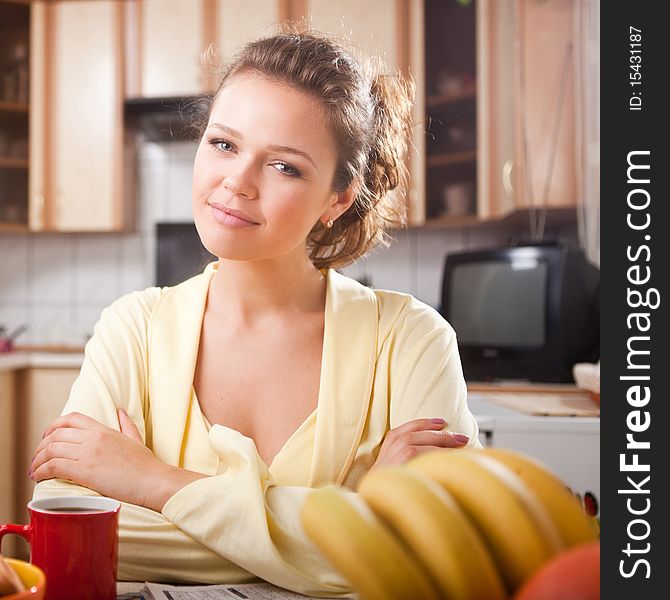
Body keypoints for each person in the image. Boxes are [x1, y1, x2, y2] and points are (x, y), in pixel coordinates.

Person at [29, 27, 480, 596]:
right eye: (223, 144)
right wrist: (355, 528)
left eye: (285, 166)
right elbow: (62, 528)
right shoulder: (132, 329)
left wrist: (152, 482)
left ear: (338, 199)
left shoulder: (412, 339)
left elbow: (433, 553)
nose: (236, 183)